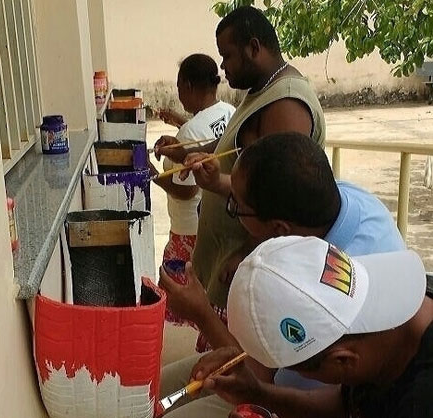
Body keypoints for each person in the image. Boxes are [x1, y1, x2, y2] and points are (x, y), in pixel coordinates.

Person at [159, 132, 405, 417]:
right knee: (154, 387)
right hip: (270, 374)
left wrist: (201, 313)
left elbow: (259, 375)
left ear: (279, 230)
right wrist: (216, 183)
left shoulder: (336, 281)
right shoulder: (333, 199)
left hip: (290, 398)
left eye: (236, 206)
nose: (232, 209)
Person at [155, 5, 325, 352]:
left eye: (227, 56)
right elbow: (227, 146)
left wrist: (246, 254)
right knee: (214, 365)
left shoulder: (286, 103)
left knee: (233, 371)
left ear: (253, 47)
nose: (223, 67)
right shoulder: (259, 92)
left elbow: (279, 197)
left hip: (245, 265)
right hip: (228, 260)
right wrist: (185, 152)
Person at [193, 235, 433, 418]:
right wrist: (256, 393)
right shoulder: (385, 341)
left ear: (342, 361)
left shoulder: (419, 402)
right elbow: (344, 404)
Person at [151, 53, 235, 325]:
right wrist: (179, 123)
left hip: (187, 229)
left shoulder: (189, 132)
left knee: (177, 294)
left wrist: (151, 174)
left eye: (178, 88)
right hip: (215, 220)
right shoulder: (229, 113)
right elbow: (210, 139)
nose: (179, 95)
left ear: (187, 86)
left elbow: (184, 190)